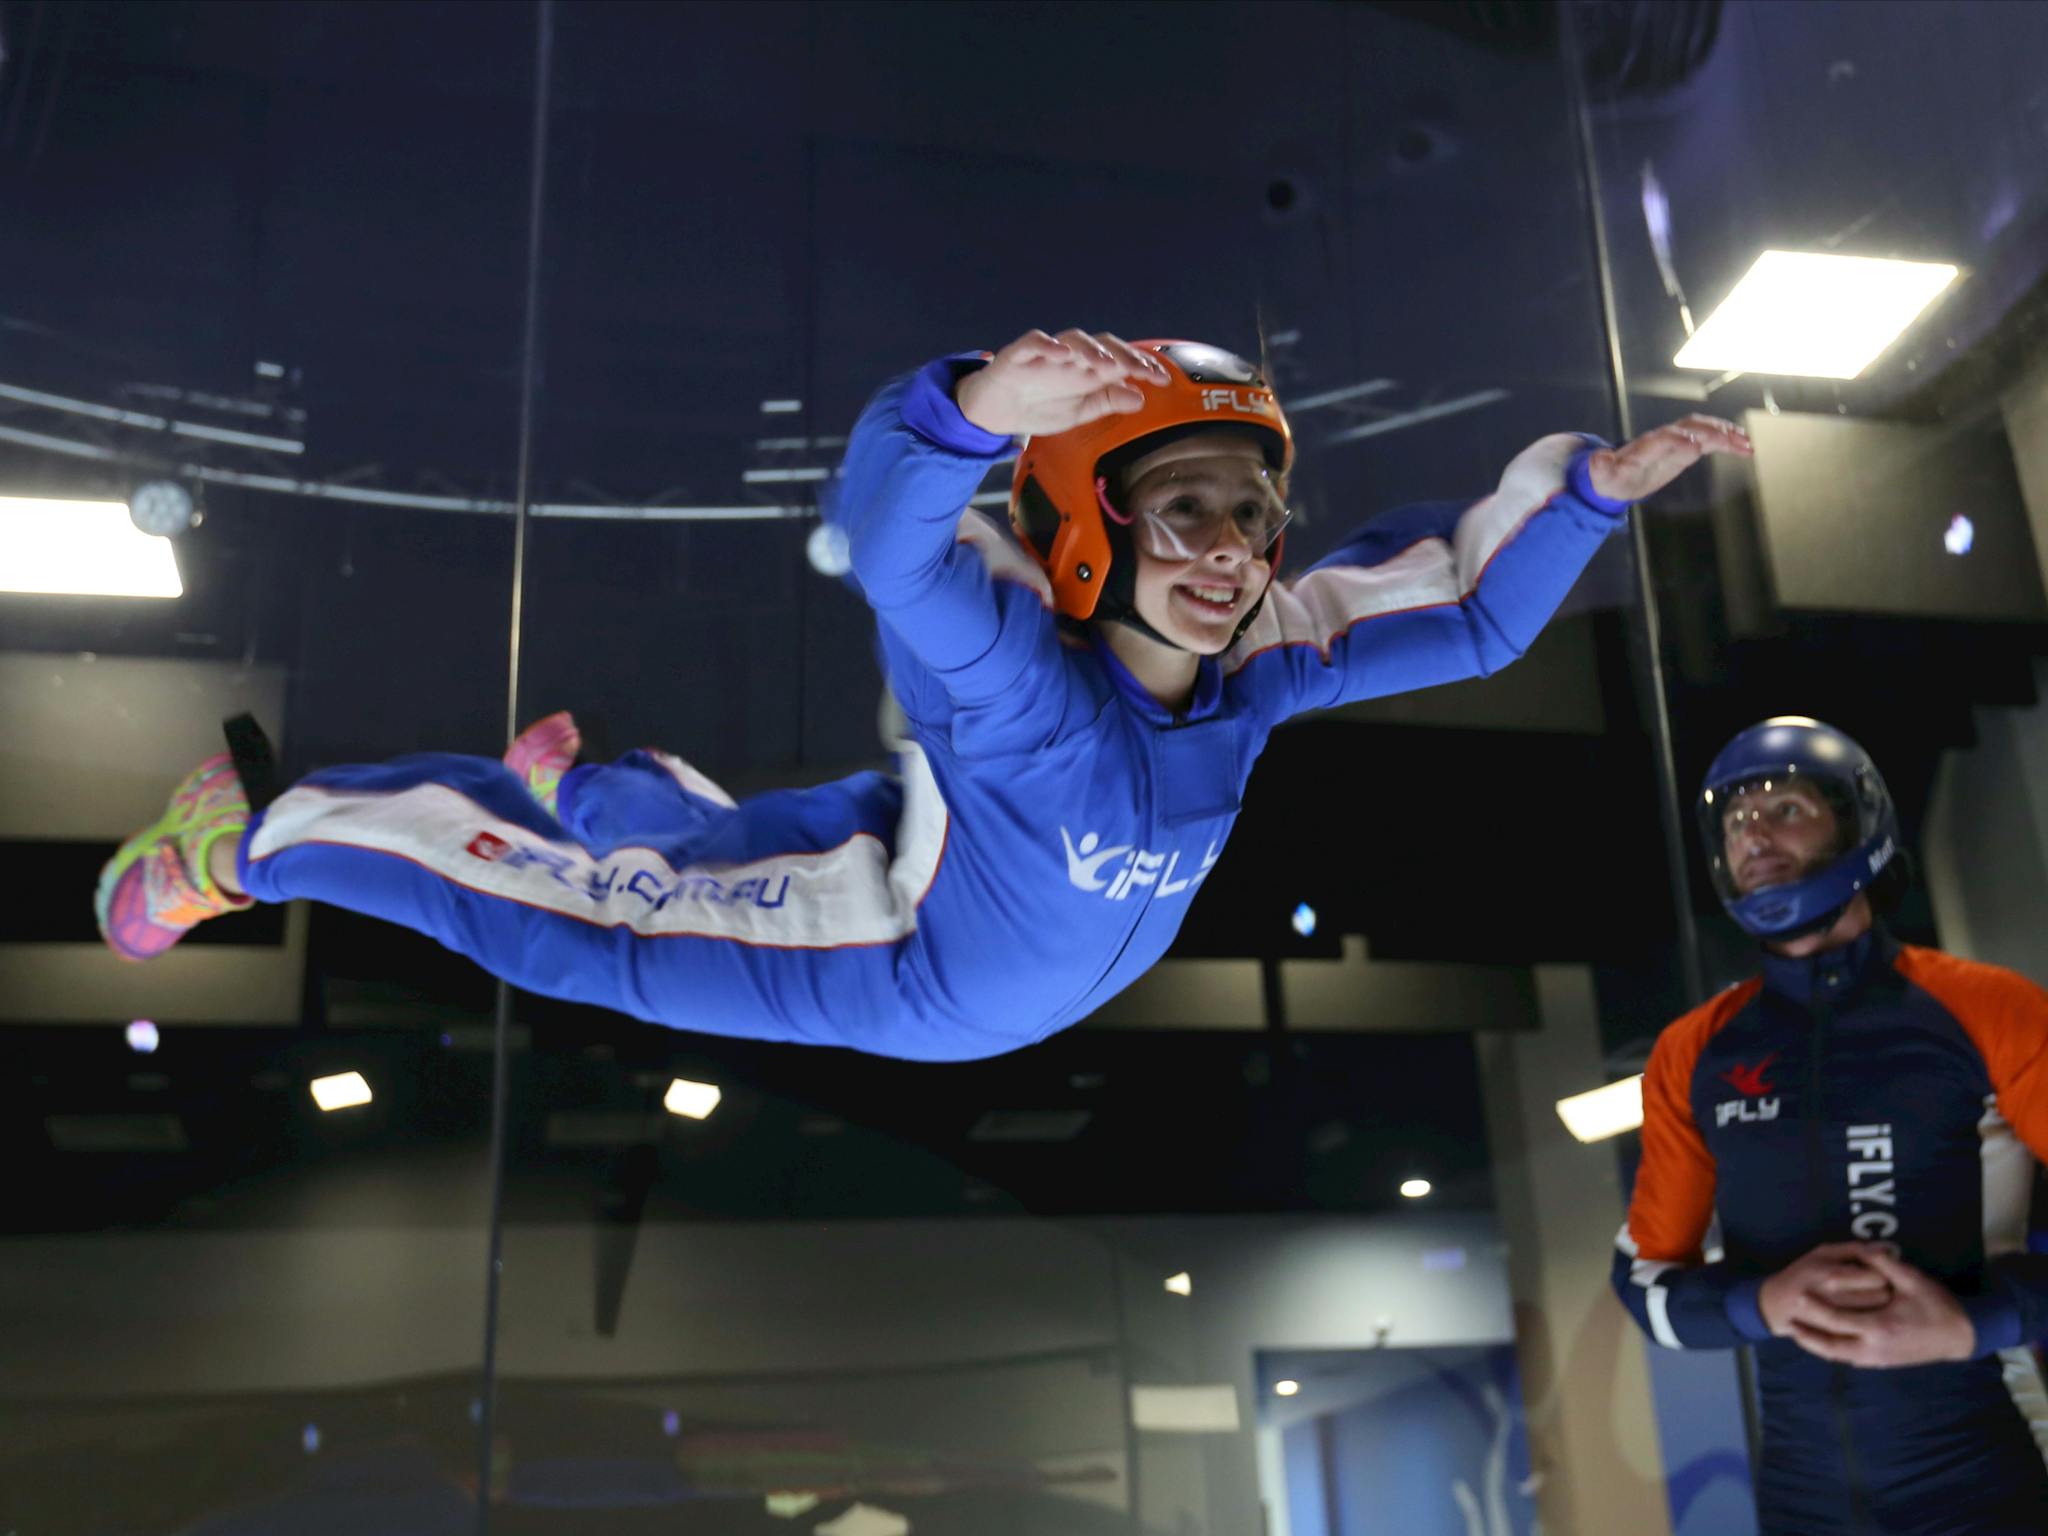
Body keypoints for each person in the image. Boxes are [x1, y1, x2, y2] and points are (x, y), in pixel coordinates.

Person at [95, 328, 1747, 1061]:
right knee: (595, 929)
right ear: (1094, 529)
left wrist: (1590, 492)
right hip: (900, 957)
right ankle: (252, 841)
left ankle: (586, 789)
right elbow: (892, 553)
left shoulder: (1259, 658)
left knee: (730, 835)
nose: (1230, 554)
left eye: (1251, 513)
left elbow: (1462, 609)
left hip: (944, 861)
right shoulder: (1015, 683)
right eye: (1183, 512)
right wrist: (960, 410)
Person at [1612, 716, 2048, 1534]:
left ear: (1858, 820)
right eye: (1737, 821)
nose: (1755, 835)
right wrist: (1761, 1305)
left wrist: (1974, 1324)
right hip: (1799, 1501)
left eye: (1785, 808)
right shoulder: (1693, 1051)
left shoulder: (1990, 1009)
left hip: (1980, 1484)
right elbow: (1644, 1286)